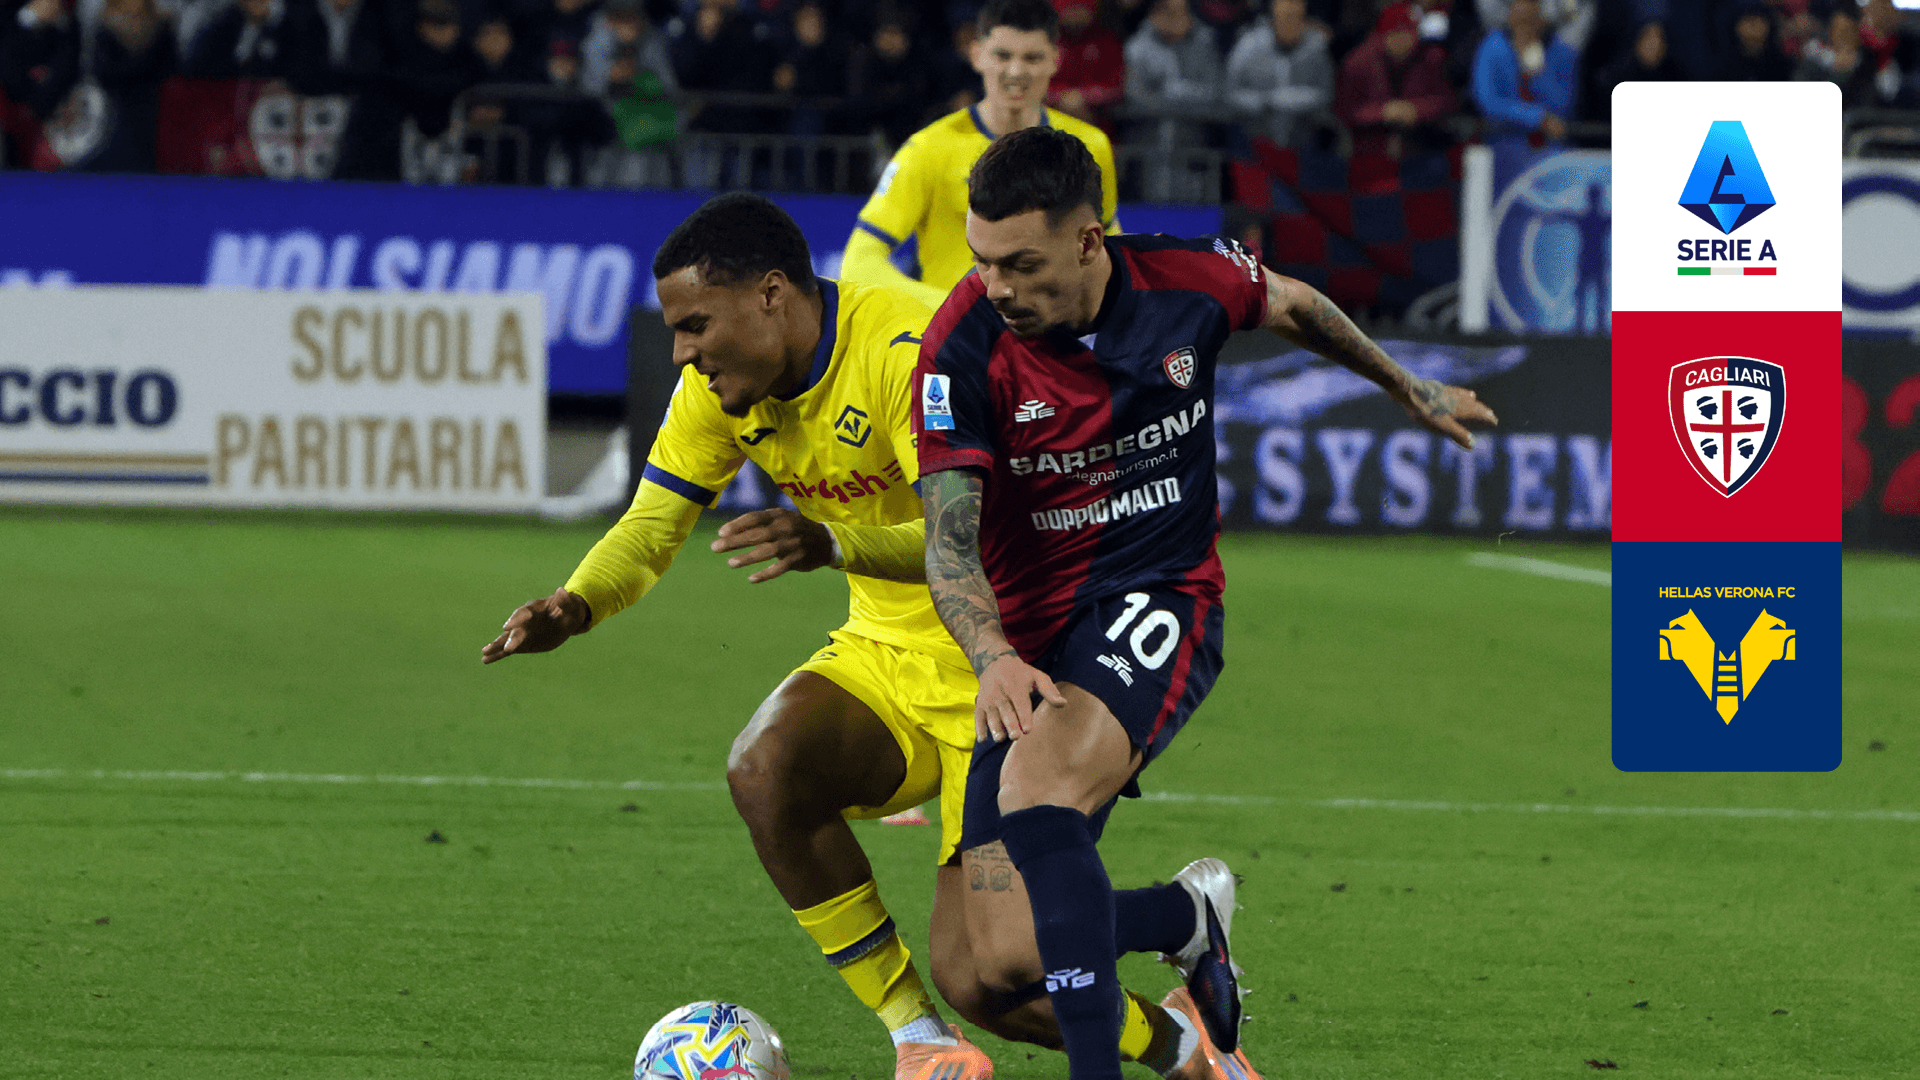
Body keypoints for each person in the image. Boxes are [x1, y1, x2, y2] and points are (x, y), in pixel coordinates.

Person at [912, 127, 1498, 1080]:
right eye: (983, 261)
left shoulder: (1188, 281)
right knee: (989, 970)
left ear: (1089, 241)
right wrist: (995, 659)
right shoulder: (961, 346)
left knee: (1036, 790)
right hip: (1029, 641)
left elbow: (1295, 303)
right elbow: (948, 544)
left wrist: (1408, 385)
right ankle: (1185, 920)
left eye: (1020, 264)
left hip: (1159, 594)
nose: (997, 286)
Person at [480, 193, 996, 1080]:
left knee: (996, 979)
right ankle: (920, 1037)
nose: (682, 353)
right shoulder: (716, 394)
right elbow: (651, 525)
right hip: (890, 650)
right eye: (675, 332)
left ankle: (1181, 975)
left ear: (770, 295)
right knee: (767, 767)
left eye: (695, 326)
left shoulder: (911, 353)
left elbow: (975, 541)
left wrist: (833, 543)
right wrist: (576, 603)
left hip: (1010, 658)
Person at [840, 0, 1118, 310]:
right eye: (1003, 55)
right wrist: (954, 308)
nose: (1016, 71)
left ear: (1055, 60)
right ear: (976, 55)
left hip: (1053, 334)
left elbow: (1109, 248)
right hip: (957, 335)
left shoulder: (1089, 145)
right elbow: (858, 261)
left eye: (1032, 57)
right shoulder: (930, 148)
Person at [1337, 0, 1457, 156]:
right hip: (1368, 143)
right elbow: (1345, 110)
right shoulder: (1358, 62)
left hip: (1419, 141)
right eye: (1396, 33)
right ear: (1382, 34)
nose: (1404, 40)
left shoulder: (1431, 57)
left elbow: (1447, 101)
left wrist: (1414, 109)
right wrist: (1383, 112)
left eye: (1409, 33)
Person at [1223, 0, 1333, 147]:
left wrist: (1294, 99)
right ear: (1273, 14)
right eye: (1284, 15)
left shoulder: (1316, 46)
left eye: (1295, 16)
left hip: (1303, 136)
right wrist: (1264, 101)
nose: (1289, 20)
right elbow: (1229, 92)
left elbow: (1327, 94)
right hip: (1254, 136)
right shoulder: (1249, 46)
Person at [1470, 0, 1576, 148]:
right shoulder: (1492, 47)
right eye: (1520, 22)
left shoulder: (1561, 51)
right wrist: (1537, 117)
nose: (1525, 30)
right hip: (1502, 141)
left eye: (1530, 22)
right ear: (1511, 17)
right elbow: (1488, 102)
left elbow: (1564, 106)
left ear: (1541, 20)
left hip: (1551, 145)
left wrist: (1537, 75)